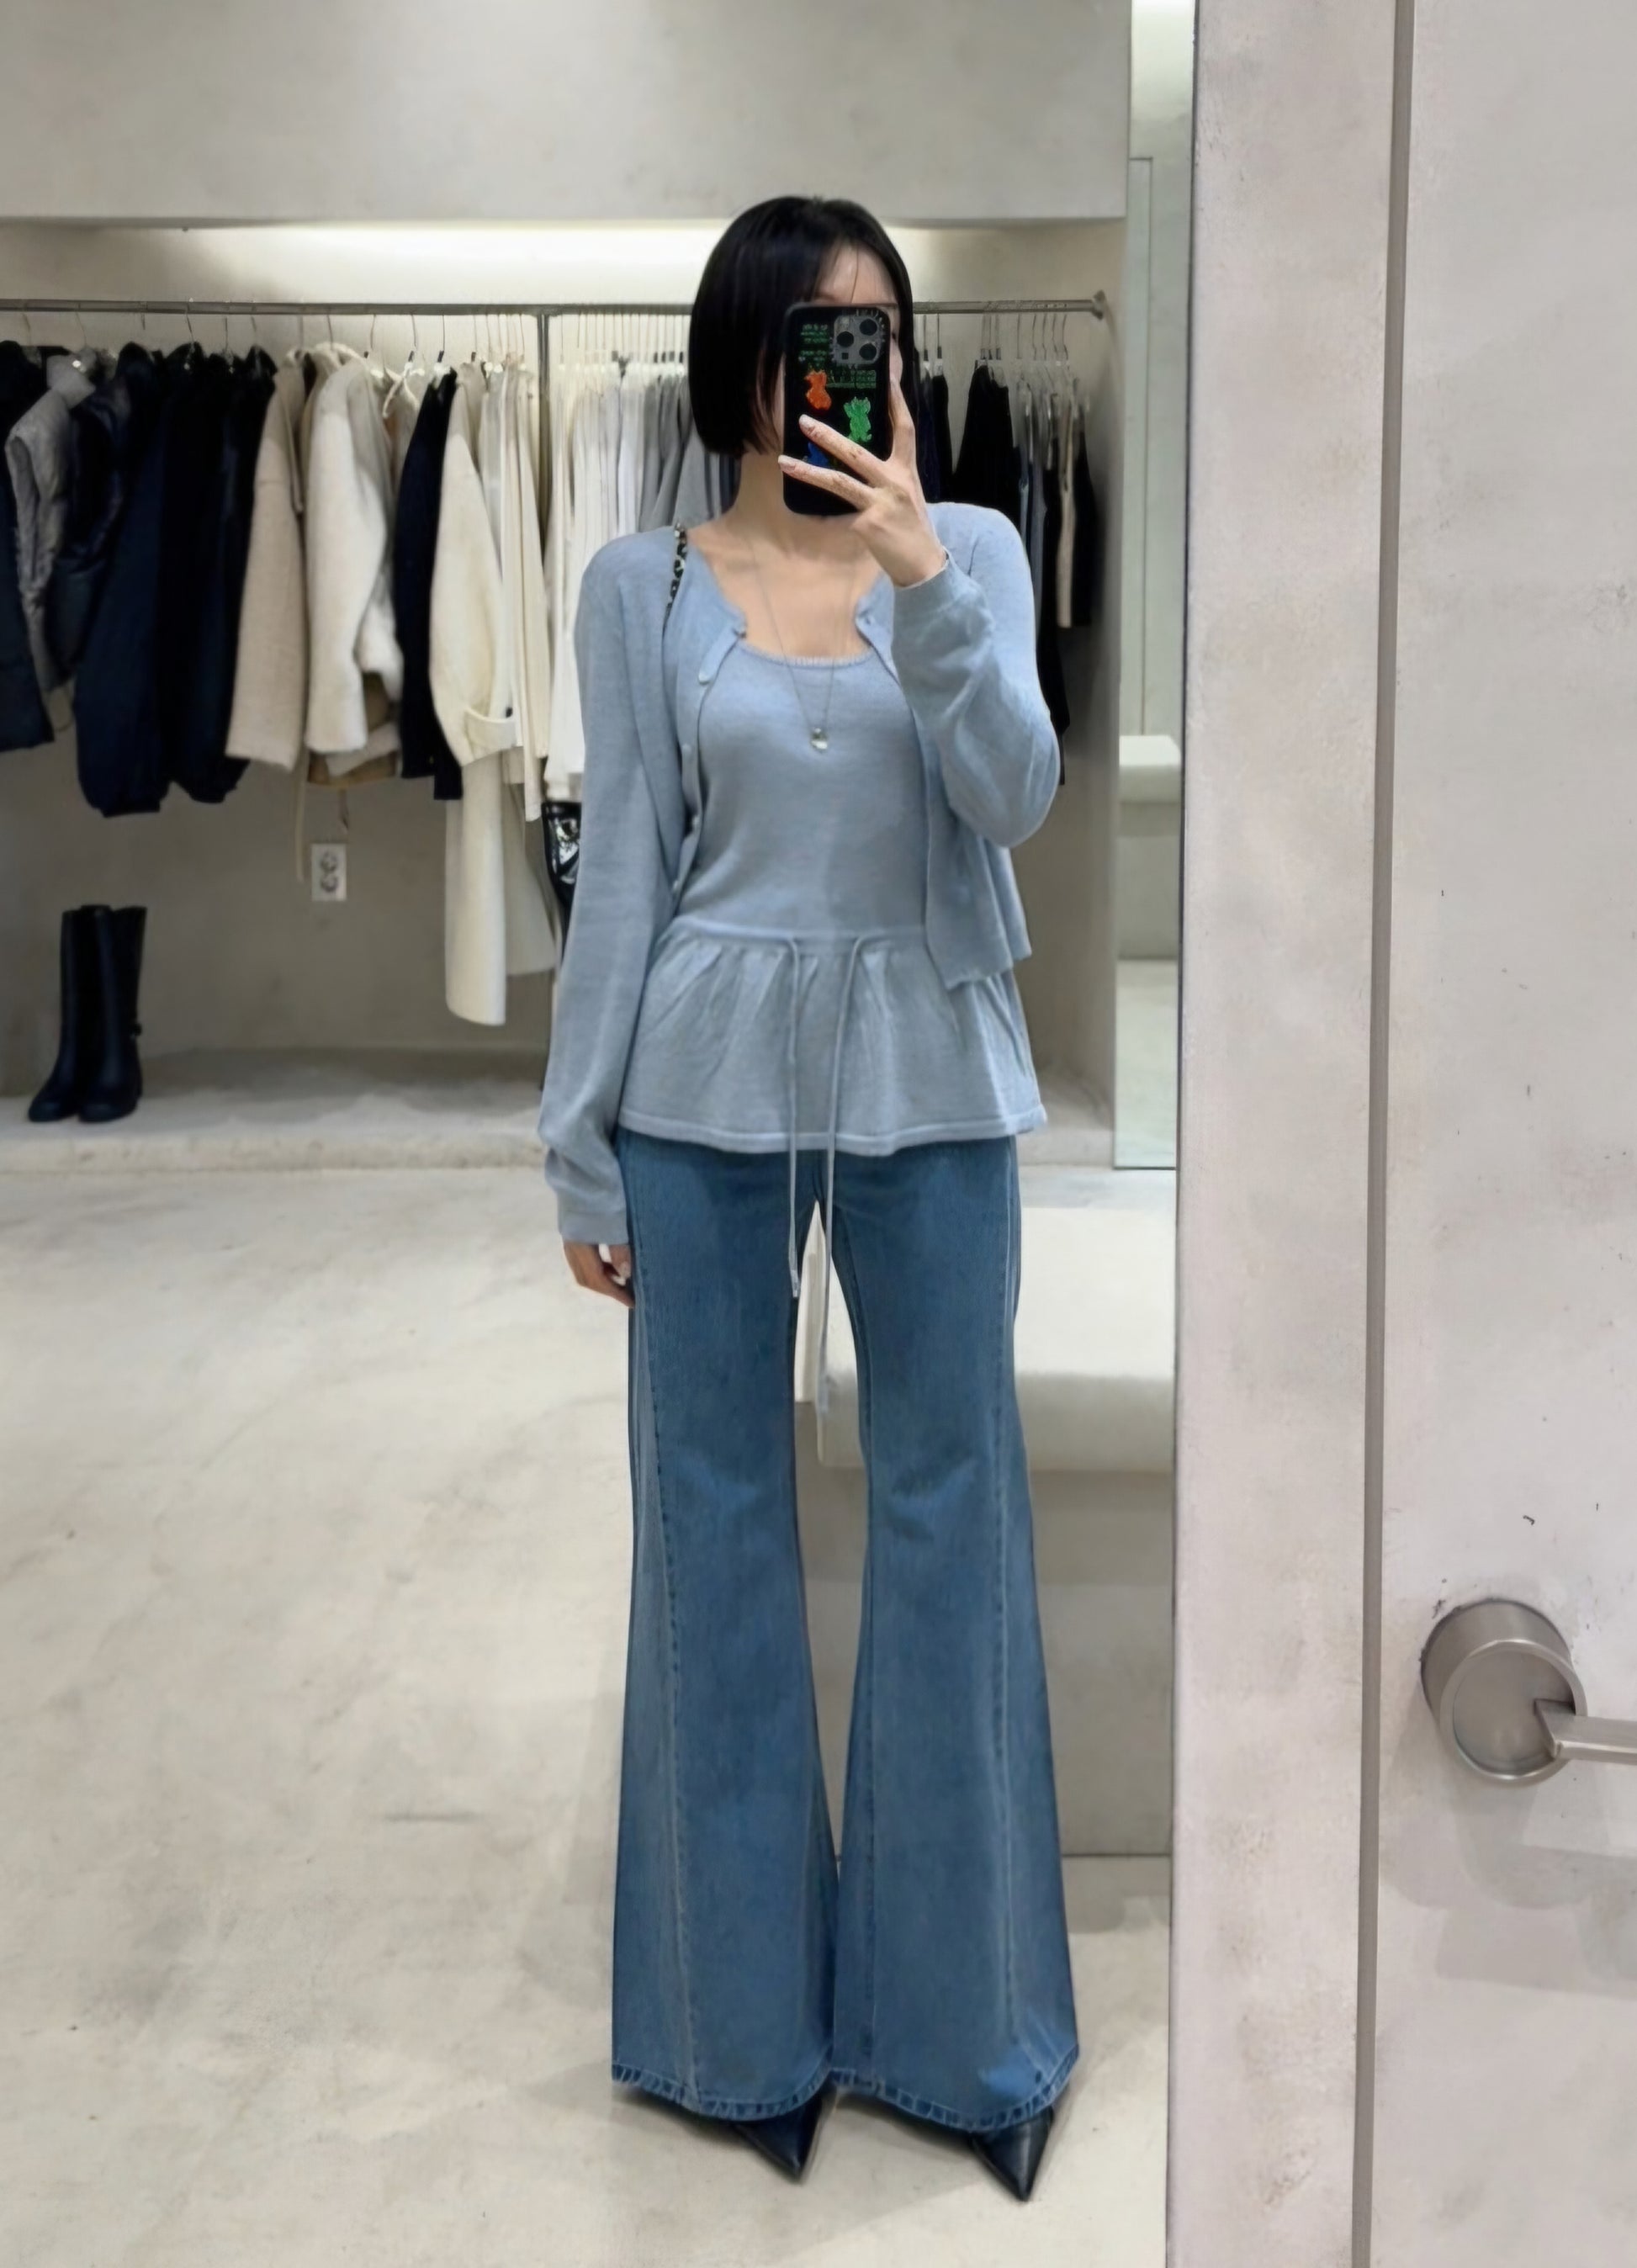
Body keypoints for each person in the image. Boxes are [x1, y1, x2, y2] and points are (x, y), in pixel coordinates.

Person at [537, 195, 1078, 2203]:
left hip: (931, 1069)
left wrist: (919, 567)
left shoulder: (976, 551)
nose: (850, 373)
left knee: (953, 1512)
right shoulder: (643, 584)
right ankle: (727, 2021)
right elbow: (626, 876)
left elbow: (1015, 793)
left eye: (879, 338)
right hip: (699, 1088)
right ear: (739, 363)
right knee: (708, 1525)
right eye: (810, 339)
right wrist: (580, 1140)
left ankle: (965, 2031)